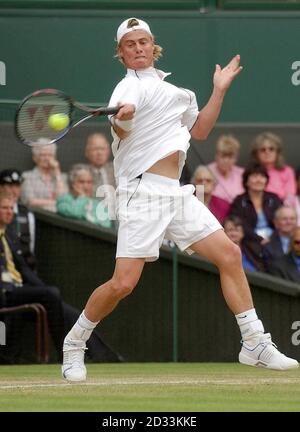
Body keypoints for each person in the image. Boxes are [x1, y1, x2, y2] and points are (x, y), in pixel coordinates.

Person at [62, 17, 298, 382]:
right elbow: (122, 123)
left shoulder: (180, 93)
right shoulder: (127, 89)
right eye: (130, 44)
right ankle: (75, 343)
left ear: (153, 46)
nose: (138, 48)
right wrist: (122, 119)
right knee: (123, 284)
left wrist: (218, 90)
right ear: (121, 54)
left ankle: (254, 343)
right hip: (142, 193)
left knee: (229, 255)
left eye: (143, 42)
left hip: (176, 191)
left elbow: (200, 130)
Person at [0, 191, 122, 363]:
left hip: (18, 291)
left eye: (10, 208)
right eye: (4, 208)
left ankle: (104, 356)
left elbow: (25, 271)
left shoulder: (10, 236)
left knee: (65, 308)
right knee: (52, 296)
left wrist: (43, 289)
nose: (9, 212)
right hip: (5, 294)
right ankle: (65, 351)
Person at [229, 162, 282, 271]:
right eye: (254, 176)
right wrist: (260, 239)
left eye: (262, 176)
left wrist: (272, 238)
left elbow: (282, 222)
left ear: (266, 180)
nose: (258, 180)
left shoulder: (274, 199)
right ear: (246, 181)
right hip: (250, 241)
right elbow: (239, 224)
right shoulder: (239, 201)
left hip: (275, 239)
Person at [0, 169, 36, 270]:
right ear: (1, 188)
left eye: (17, 186)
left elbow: (30, 247)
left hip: (23, 269)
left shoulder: (27, 214)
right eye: (10, 186)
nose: (14, 191)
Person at [57, 164, 112, 228]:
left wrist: (85, 217)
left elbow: (106, 225)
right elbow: (75, 213)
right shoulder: (64, 200)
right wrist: (82, 197)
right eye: (81, 182)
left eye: (89, 182)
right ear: (72, 184)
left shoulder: (98, 204)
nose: (86, 186)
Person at [21, 143, 68, 212]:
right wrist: (57, 202)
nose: (47, 158)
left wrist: (57, 172)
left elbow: (64, 198)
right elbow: (30, 201)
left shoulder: (62, 177)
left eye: (50, 155)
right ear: (35, 158)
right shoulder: (27, 177)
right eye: (43, 155)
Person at [251, 132, 296, 201]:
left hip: (282, 207)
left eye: (271, 149)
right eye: (263, 149)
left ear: (277, 152)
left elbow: (290, 196)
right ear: (256, 154)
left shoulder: (287, 171)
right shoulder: (250, 172)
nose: (267, 152)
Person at [207, 134, 244, 204]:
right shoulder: (205, 172)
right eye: (223, 156)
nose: (226, 160)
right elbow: (199, 198)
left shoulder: (241, 173)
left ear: (236, 158)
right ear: (216, 155)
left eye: (230, 157)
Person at [263, 206, 297, 271]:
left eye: (292, 219)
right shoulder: (268, 245)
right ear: (276, 223)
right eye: (284, 219)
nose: (289, 222)